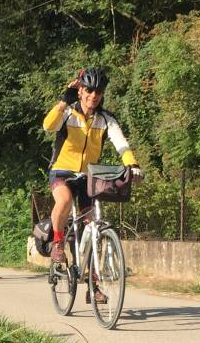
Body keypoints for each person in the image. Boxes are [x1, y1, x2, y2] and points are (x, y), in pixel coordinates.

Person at [42, 67, 141, 294]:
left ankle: (93, 283)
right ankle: (58, 242)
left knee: (93, 226)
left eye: (98, 91)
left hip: (89, 176)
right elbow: (48, 125)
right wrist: (62, 103)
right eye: (89, 90)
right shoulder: (67, 113)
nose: (93, 95)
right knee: (65, 200)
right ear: (80, 91)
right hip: (61, 172)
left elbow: (121, 144)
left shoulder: (106, 120)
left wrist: (132, 165)